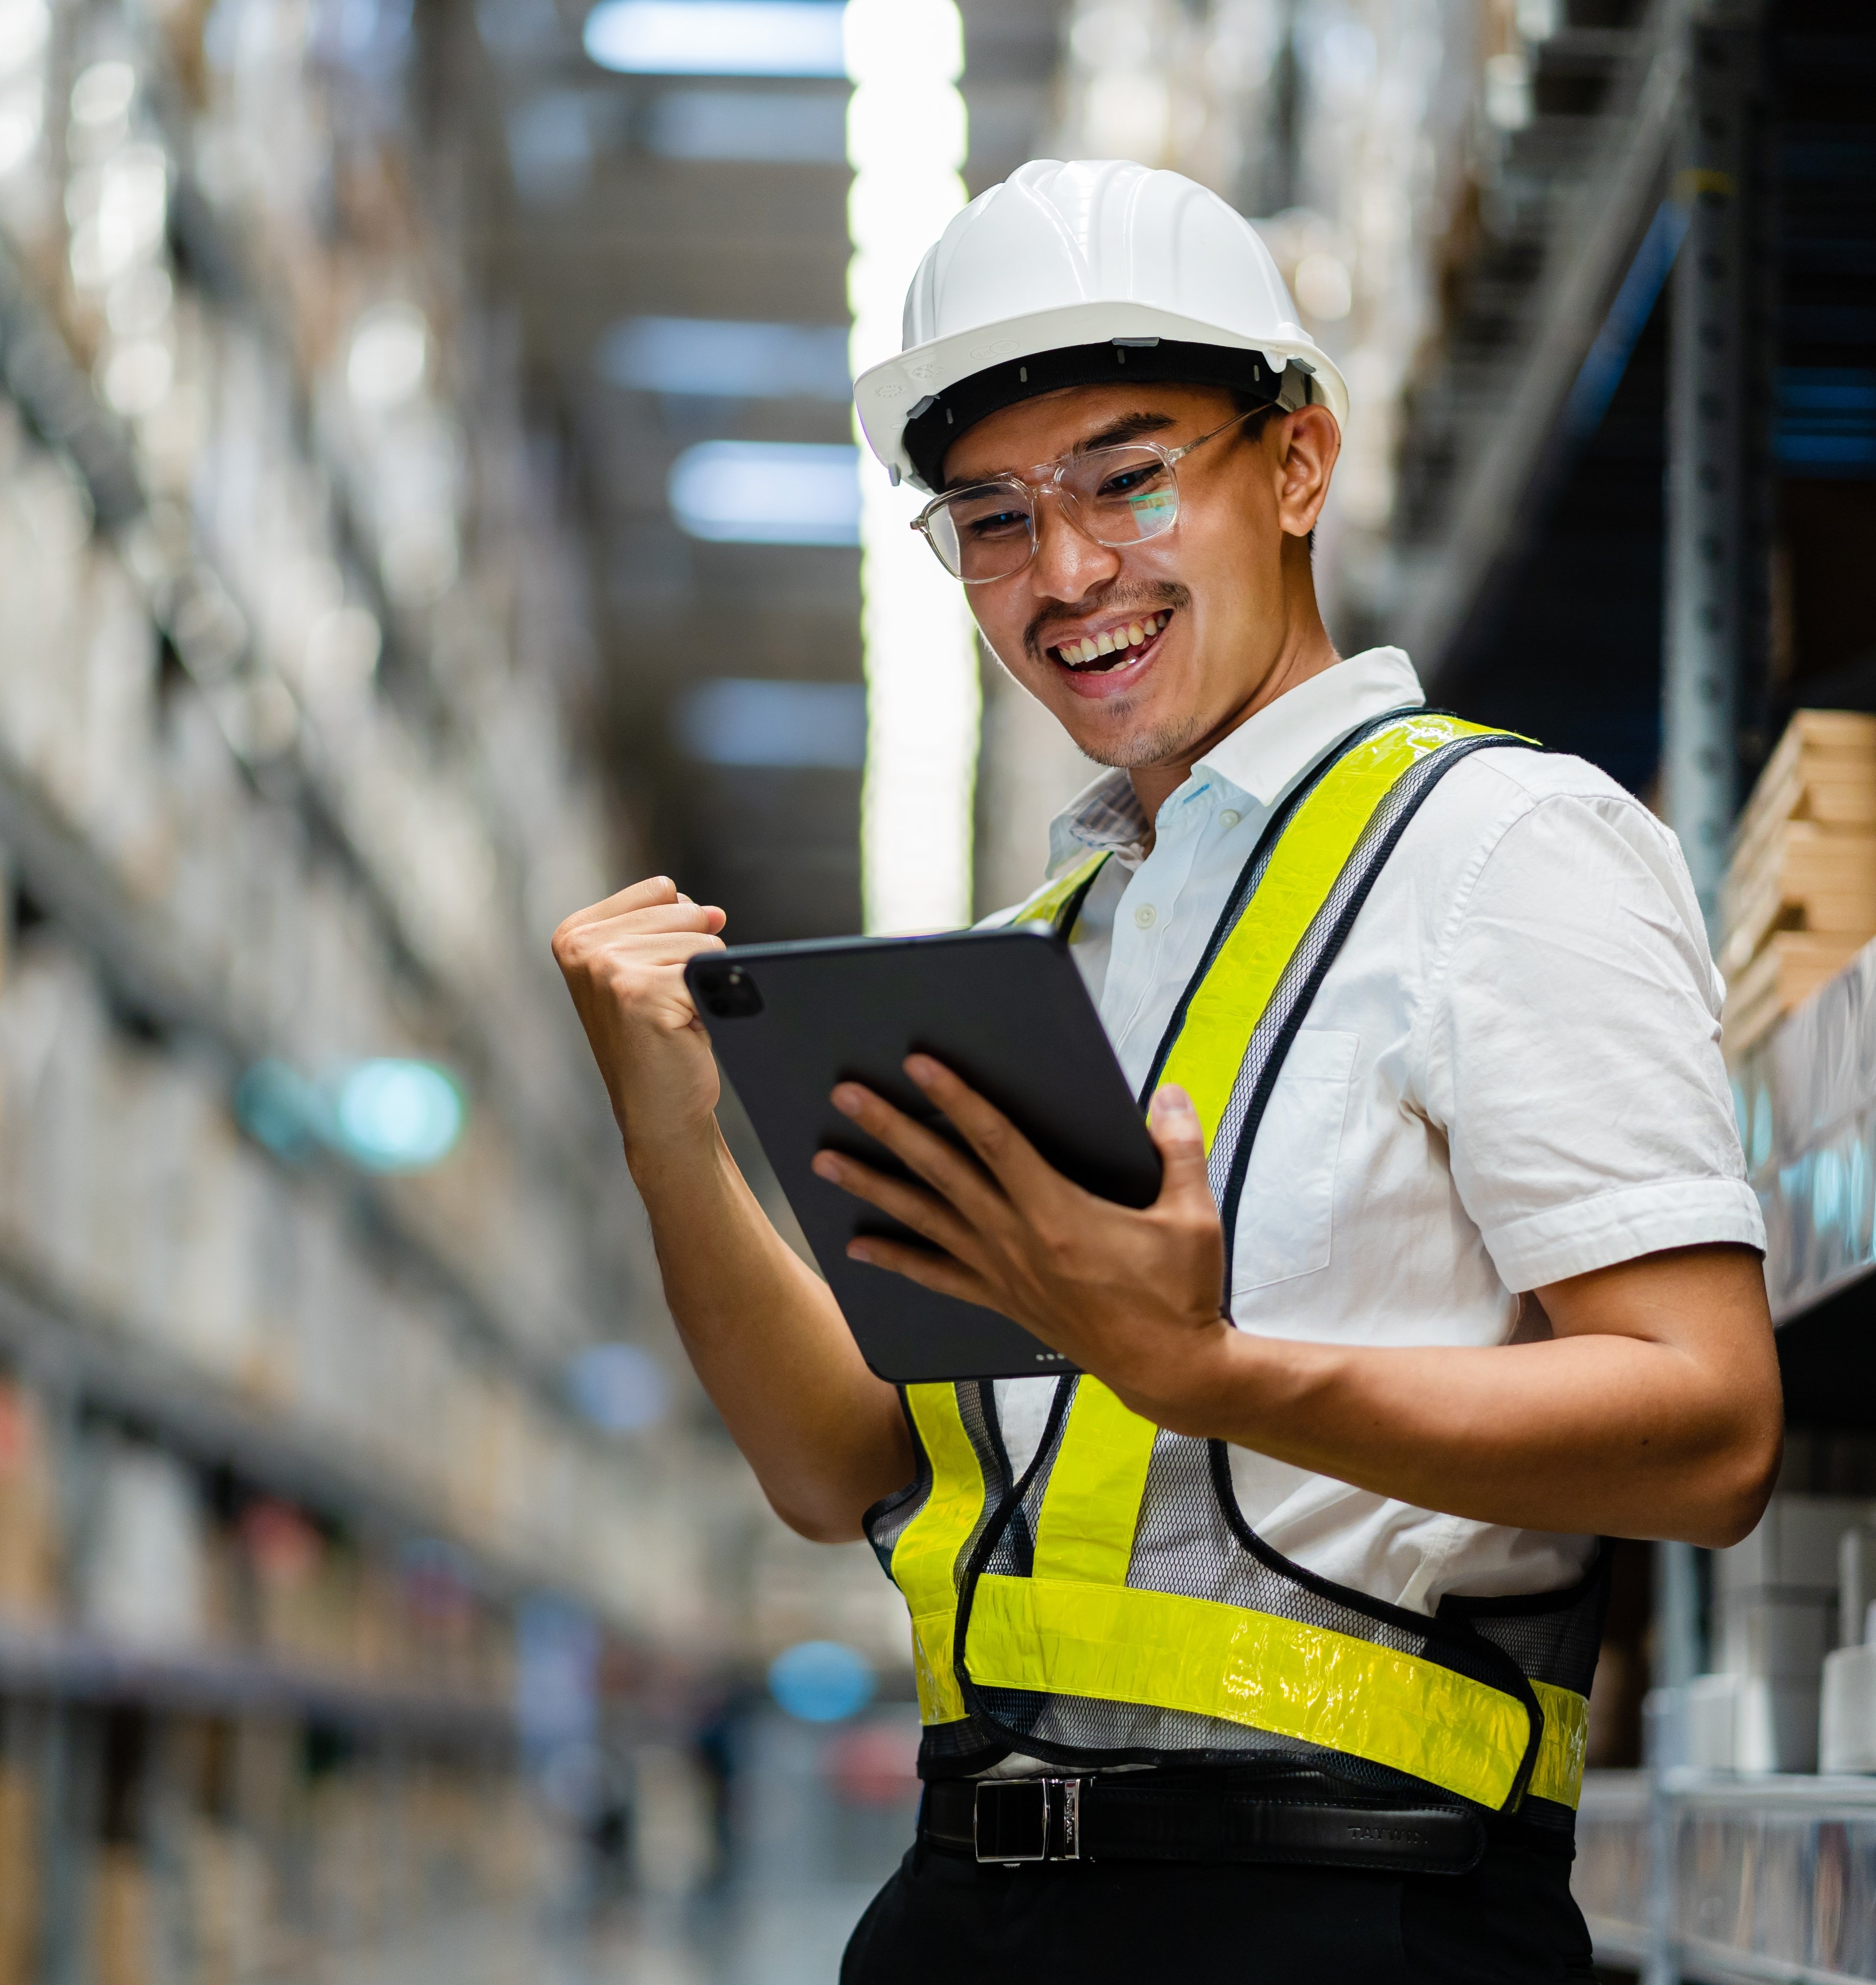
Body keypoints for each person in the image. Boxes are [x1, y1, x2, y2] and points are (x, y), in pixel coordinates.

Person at [552, 158, 1781, 1981]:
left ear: (1294, 464)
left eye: (1128, 479)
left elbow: (1711, 1427)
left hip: (1336, 1911)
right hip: (970, 1901)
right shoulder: (1048, 954)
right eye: (988, 518)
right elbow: (845, 1467)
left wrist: (1208, 1371)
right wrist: (675, 1137)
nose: (1064, 575)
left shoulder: (1500, 846)